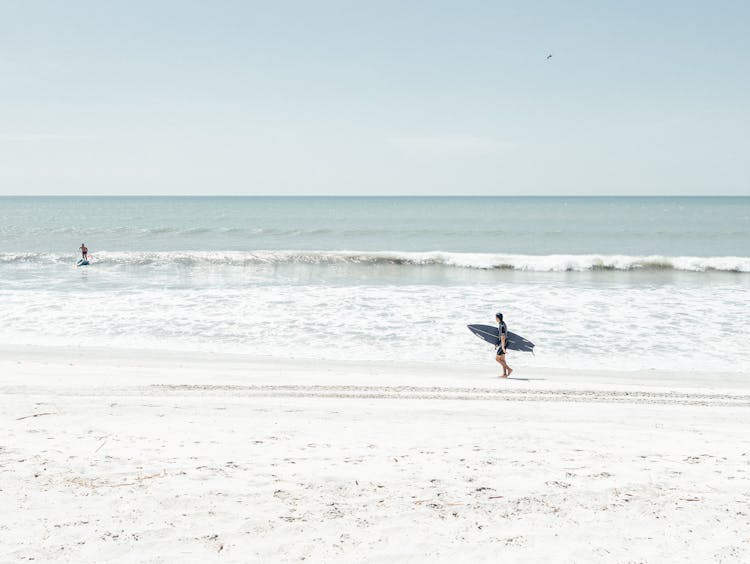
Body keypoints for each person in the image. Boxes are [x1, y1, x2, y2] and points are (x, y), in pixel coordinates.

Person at [494, 312, 513, 378]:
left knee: (497, 359)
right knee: (502, 359)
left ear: (498, 318)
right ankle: (504, 374)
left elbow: (502, 337)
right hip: (504, 342)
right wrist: (497, 344)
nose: (495, 319)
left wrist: (503, 347)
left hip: (504, 343)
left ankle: (509, 369)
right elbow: (501, 337)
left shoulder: (501, 326)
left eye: (496, 317)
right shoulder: (502, 324)